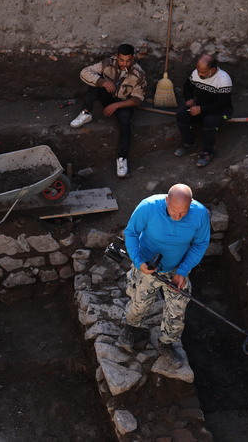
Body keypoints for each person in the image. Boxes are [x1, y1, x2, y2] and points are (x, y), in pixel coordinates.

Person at [117, 184, 210, 368]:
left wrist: (182, 271)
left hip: (177, 268)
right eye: (173, 212)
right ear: (166, 200)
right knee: (140, 302)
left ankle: (166, 343)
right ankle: (131, 326)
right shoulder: (148, 207)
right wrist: (138, 262)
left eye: (182, 213)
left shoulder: (200, 214)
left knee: (177, 309)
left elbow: (200, 244)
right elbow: (131, 233)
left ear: (191, 205)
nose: (177, 217)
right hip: (147, 265)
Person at [69, 43, 147, 178]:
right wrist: (102, 82)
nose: (125, 63)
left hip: (124, 104)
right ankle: (86, 112)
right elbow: (85, 72)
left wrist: (116, 106)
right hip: (108, 97)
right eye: (122, 60)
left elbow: (137, 99)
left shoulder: (138, 73)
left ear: (132, 59)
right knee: (94, 83)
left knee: (125, 123)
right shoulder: (107, 63)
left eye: (128, 60)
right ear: (117, 57)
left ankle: (122, 158)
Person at [174, 54, 233, 167]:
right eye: (198, 71)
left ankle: (207, 151)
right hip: (200, 105)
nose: (199, 74)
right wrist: (189, 99)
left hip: (221, 111)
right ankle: (189, 143)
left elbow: (222, 104)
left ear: (213, 70)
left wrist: (201, 109)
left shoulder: (223, 79)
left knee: (210, 121)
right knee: (181, 114)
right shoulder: (196, 73)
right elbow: (187, 87)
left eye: (203, 72)